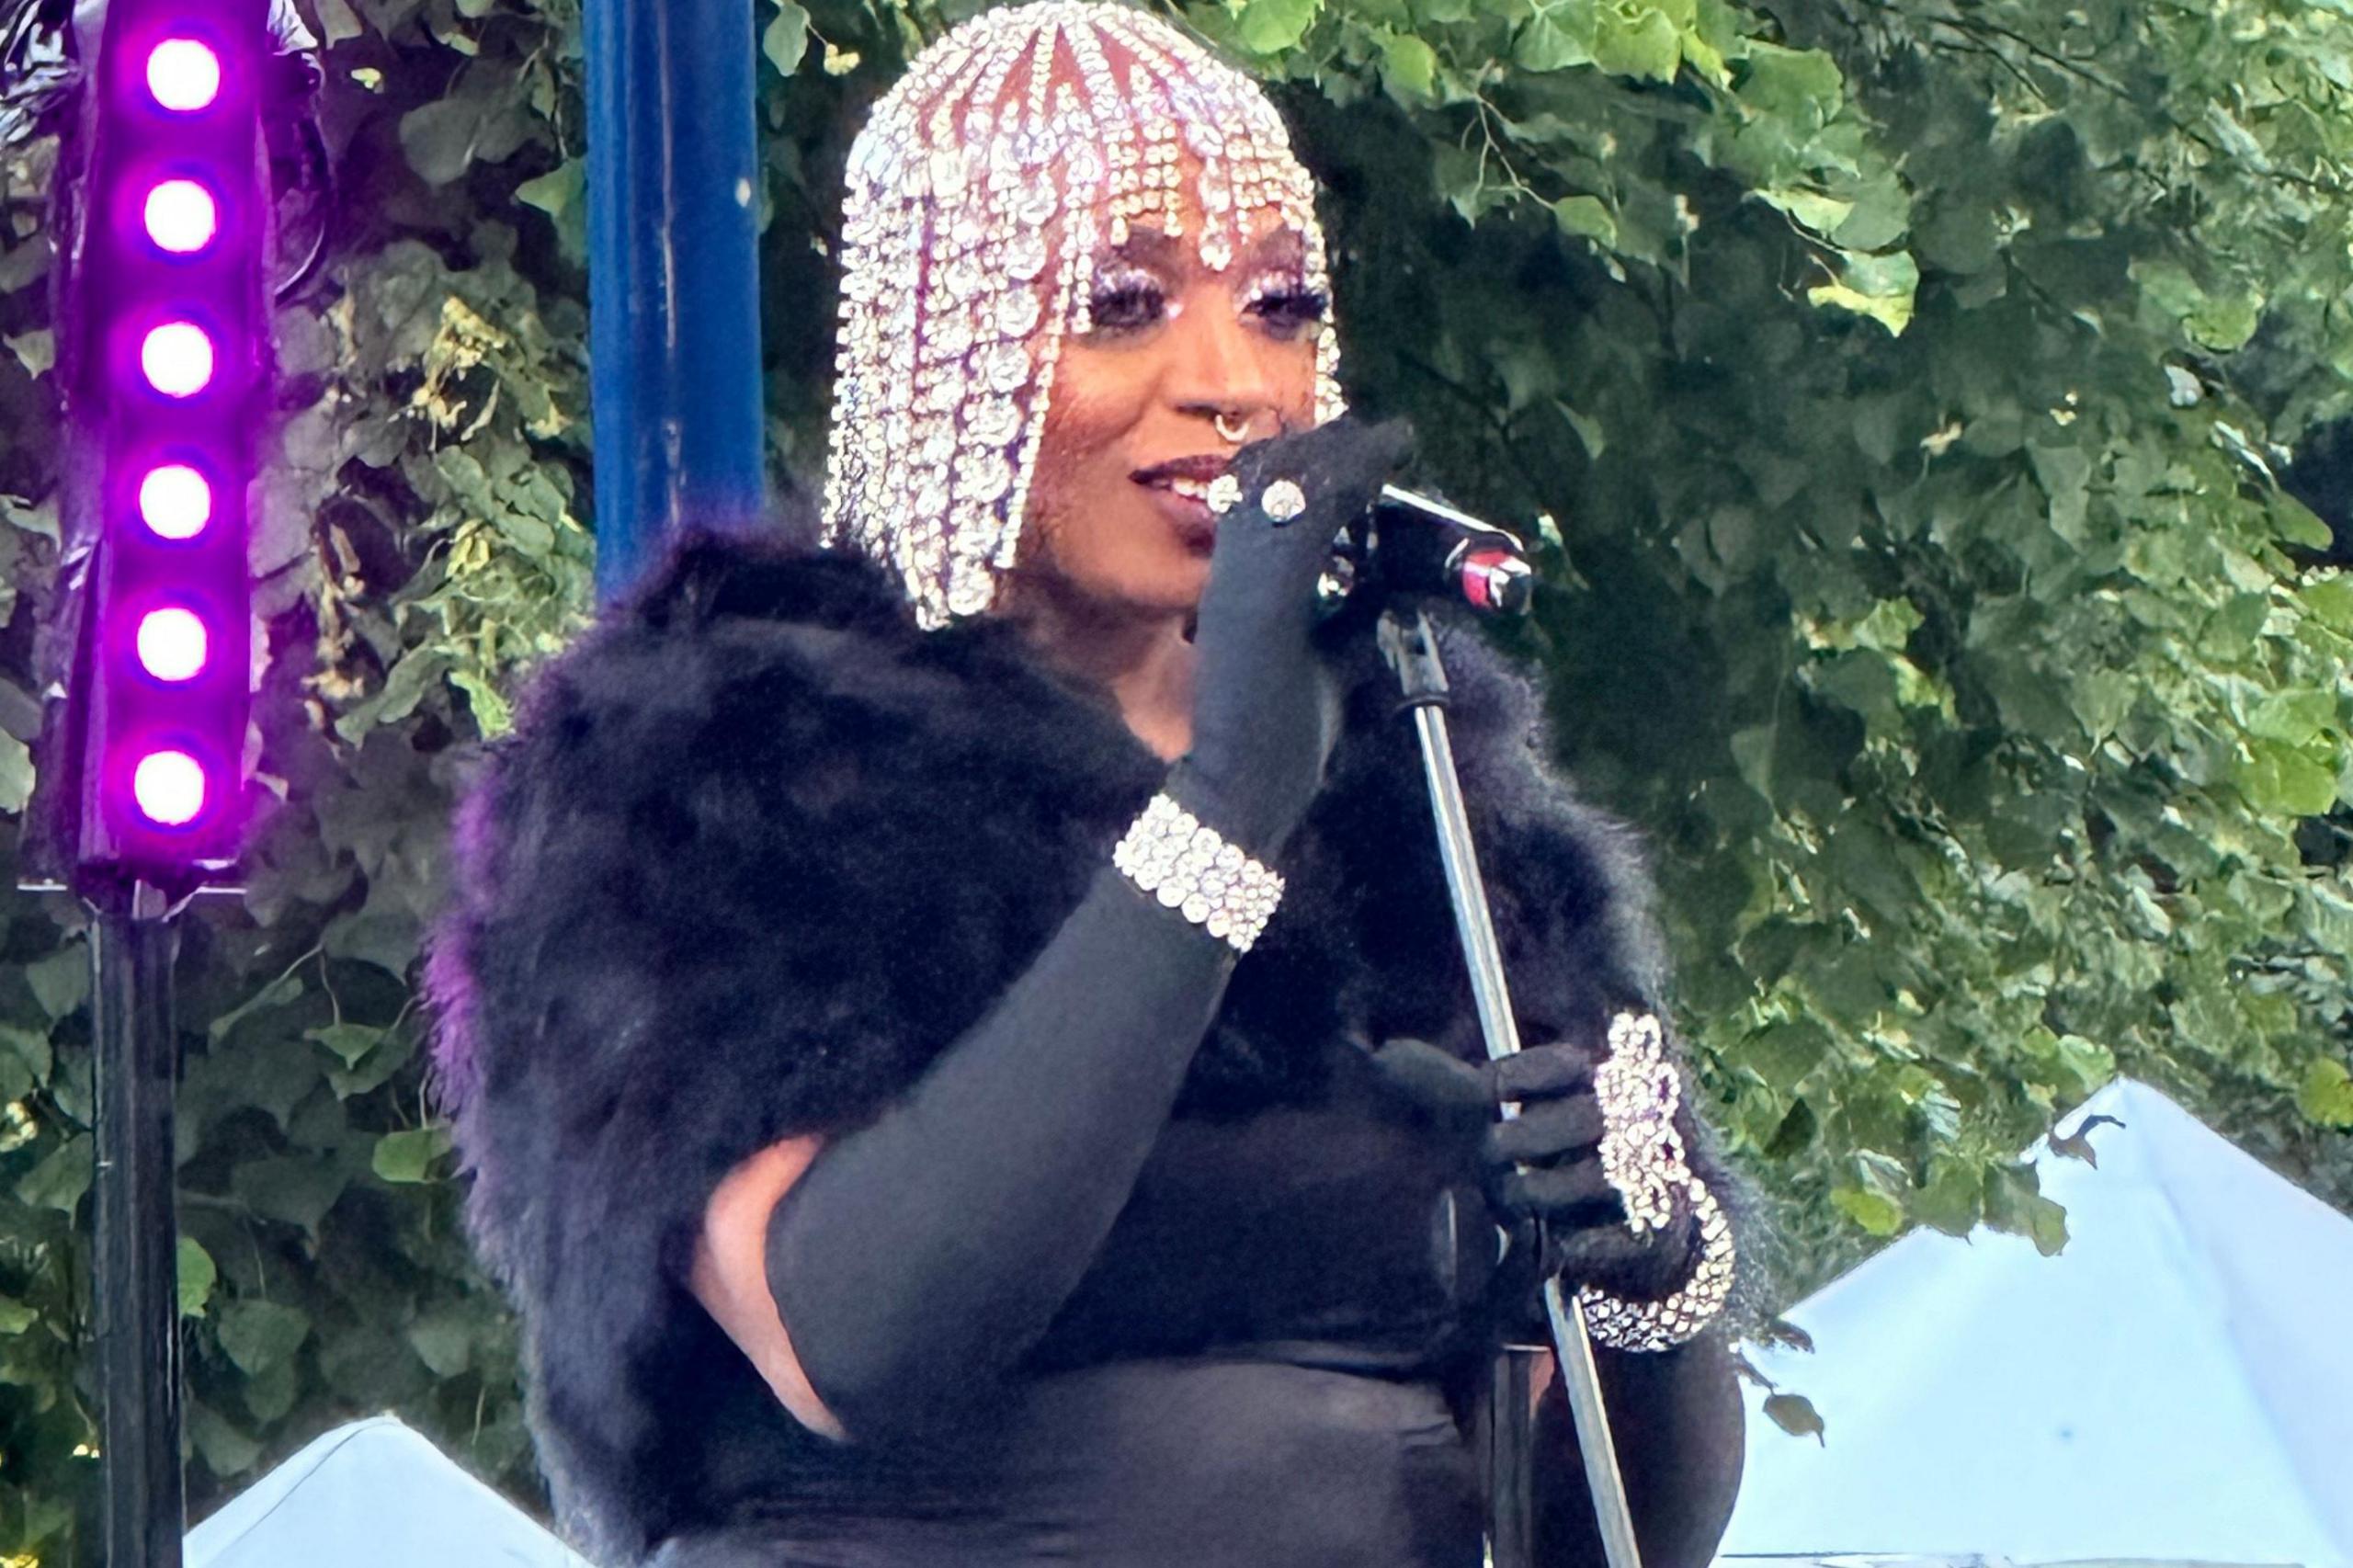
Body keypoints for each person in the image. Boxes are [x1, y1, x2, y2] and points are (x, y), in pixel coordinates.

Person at [425, 5, 1747, 1564]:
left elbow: (1616, 1522)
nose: (1232, 381)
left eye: (1279, 306)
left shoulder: (1432, 800)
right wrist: (1230, 802)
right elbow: (856, 1328)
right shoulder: (725, 765)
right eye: (1123, 306)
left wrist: (1650, 1277)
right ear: (945, 345)